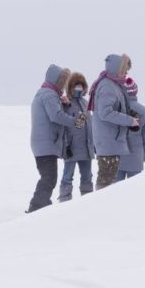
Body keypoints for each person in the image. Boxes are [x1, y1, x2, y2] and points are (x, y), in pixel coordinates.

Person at [27, 65, 75, 213]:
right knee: (49, 178)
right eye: (63, 80)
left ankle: (40, 206)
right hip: (45, 144)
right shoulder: (49, 95)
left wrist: (64, 104)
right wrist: (75, 121)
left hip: (43, 144)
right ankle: (37, 208)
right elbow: (56, 116)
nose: (64, 84)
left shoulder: (44, 93)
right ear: (58, 80)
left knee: (48, 177)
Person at [89, 53, 139, 188]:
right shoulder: (107, 86)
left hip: (110, 141)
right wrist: (129, 120)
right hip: (108, 142)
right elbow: (105, 113)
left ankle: (102, 207)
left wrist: (130, 114)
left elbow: (115, 108)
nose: (126, 73)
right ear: (118, 69)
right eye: (125, 69)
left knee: (109, 179)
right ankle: (100, 207)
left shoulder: (113, 84)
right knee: (106, 181)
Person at [59, 72, 95, 202]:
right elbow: (66, 125)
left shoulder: (86, 103)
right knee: (67, 177)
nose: (79, 88)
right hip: (71, 148)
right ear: (70, 86)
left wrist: (93, 146)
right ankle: (64, 201)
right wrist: (66, 146)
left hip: (86, 148)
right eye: (76, 85)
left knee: (87, 177)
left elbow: (88, 125)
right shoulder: (65, 102)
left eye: (81, 85)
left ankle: (87, 201)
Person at [117, 77, 145, 180]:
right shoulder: (144, 111)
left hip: (118, 156)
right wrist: (143, 156)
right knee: (134, 192)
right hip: (136, 156)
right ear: (136, 91)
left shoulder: (116, 110)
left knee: (116, 192)